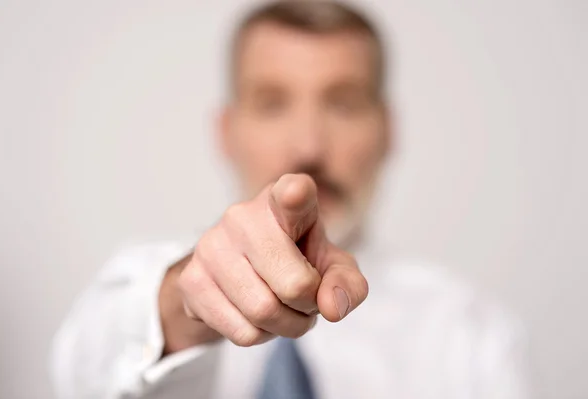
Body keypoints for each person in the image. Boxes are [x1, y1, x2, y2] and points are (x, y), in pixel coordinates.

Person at [50, 1, 531, 398]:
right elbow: (80, 370)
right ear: (226, 132)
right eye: (272, 103)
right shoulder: (141, 283)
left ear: (387, 131)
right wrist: (186, 305)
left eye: (343, 103)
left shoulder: (471, 336)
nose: (309, 146)